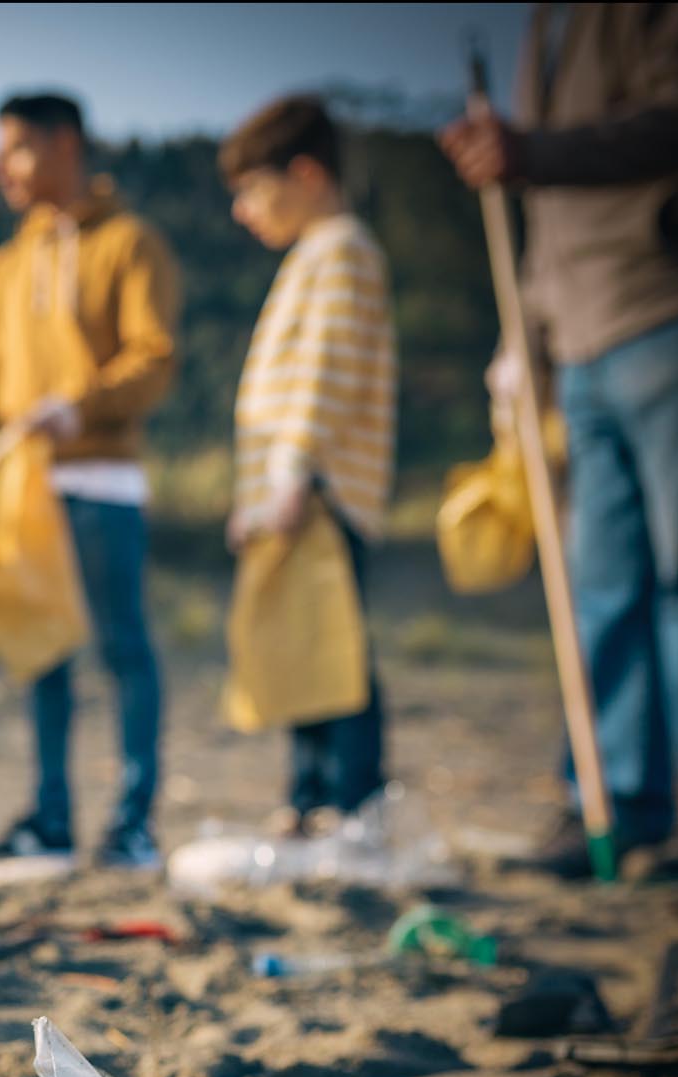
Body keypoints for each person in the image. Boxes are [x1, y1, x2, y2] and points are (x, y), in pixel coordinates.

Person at [440, 3, 678, 883]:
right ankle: (613, 803)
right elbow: (542, 216)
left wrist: (535, 153)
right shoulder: (549, 24)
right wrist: (528, 335)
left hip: (677, 302)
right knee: (602, 582)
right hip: (577, 333)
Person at [0, 91, 181, 871]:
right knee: (43, 655)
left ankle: (132, 823)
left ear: (66, 144)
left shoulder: (130, 243)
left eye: (15, 150)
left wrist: (79, 407)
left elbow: (153, 357)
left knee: (123, 648)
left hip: (103, 483)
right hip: (25, 492)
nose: (1, 170)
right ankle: (50, 820)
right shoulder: (5, 264)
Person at [221, 95, 398, 837]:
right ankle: (307, 800)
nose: (243, 211)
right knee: (299, 647)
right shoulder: (310, 256)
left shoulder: (343, 250)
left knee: (333, 654)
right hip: (290, 491)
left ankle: (354, 805)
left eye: (253, 191)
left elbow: (325, 374)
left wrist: (293, 476)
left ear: (306, 174)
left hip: (321, 492)